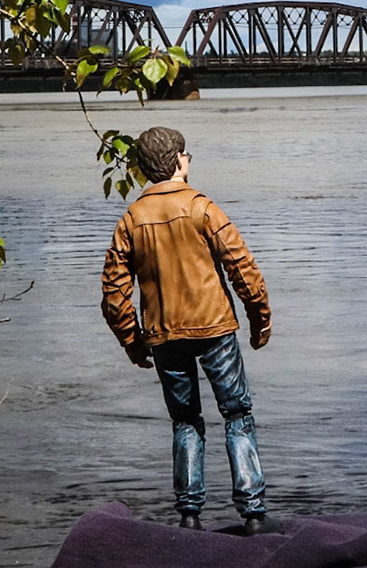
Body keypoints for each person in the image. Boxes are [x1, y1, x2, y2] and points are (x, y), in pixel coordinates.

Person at [100, 126, 274, 533]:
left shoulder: (131, 220)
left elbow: (113, 292)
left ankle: (189, 515)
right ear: (178, 159)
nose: (189, 161)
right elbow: (242, 267)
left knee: (184, 421)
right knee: (237, 415)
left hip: (163, 334)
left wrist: (133, 340)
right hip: (215, 327)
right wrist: (259, 318)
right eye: (187, 155)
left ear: (144, 169)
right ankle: (253, 513)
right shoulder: (202, 208)